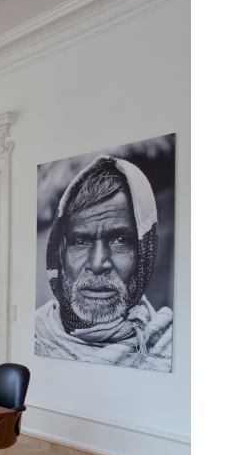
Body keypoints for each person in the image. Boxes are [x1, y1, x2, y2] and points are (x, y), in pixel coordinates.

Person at [34, 155, 173, 372]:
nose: (97, 263)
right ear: (60, 254)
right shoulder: (35, 335)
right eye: (80, 241)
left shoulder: (170, 349)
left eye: (120, 240)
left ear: (144, 252)